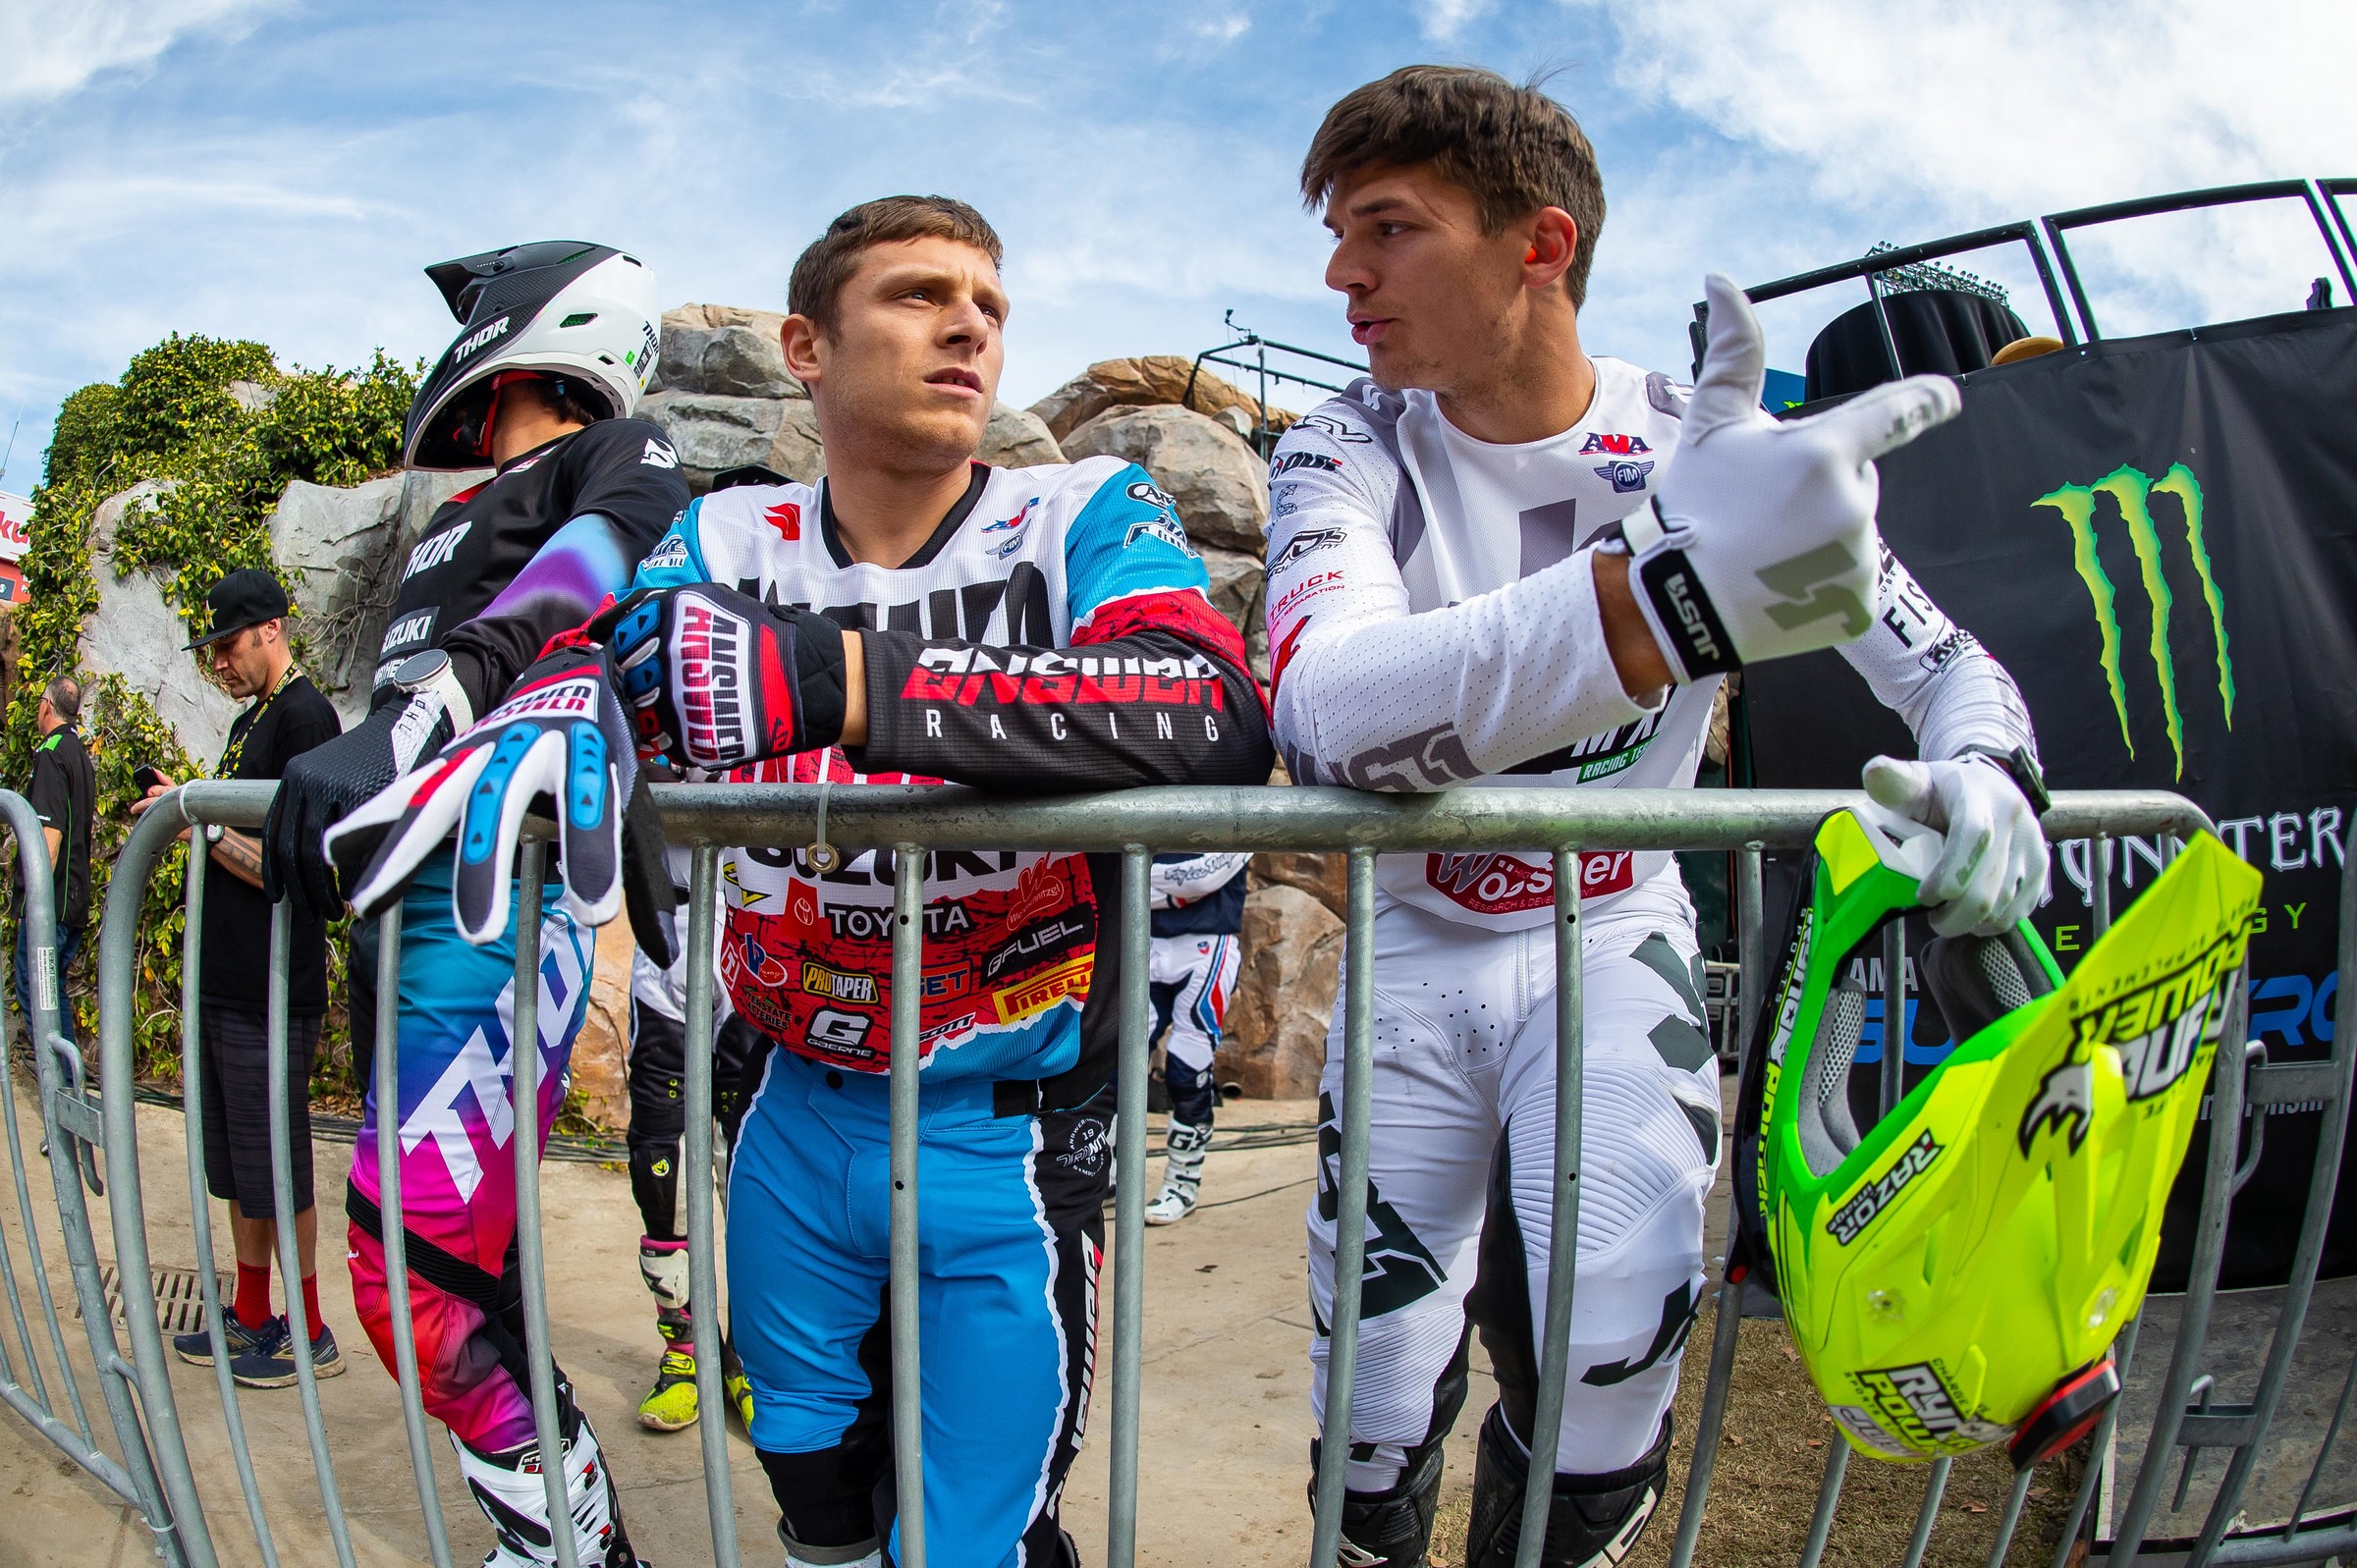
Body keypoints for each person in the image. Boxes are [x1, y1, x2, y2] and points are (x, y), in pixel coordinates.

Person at [327, 194, 1276, 1568]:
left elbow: (1210, 708)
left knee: (973, 1542)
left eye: (991, 305)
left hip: (1007, 1135)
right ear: (806, 346)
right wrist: (565, 681)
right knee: (816, 1515)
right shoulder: (721, 538)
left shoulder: (1081, 509)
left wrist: (838, 682)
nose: (969, 325)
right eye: (917, 294)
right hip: (789, 1111)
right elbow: (604, 650)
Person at [1265, 68, 2052, 1568]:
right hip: (1416, 954)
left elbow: (1951, 669)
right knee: (1366, 1407)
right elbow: (1331, 707)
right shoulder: (1340, 438)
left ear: (1536, 245)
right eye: (1336, 233)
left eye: (1386, 227)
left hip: (1615, 934)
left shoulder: (1703, 437)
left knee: (1612, 1375)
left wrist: (1987, 777)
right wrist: (1675, 599)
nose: (1339, 275)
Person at [260, 241, 686, 1568]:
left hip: (496, 900)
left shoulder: (614, 454)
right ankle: (547, 1533)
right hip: (403, 902)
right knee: (464, 1272)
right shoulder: (454, 505)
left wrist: (430, 713)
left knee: (412, 1280)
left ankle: (578, 1542)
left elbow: (589, 578)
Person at [137, 570, 345, 1386]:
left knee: (279, 1161)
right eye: (211, 649)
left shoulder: (306, 719)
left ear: (269, 630)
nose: (217, 661)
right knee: (236, 1163)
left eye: (225, 643)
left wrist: (204, 820)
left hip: (271, 985)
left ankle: (309, 1330)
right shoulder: (249, 719)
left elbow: (300, 866)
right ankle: (252, 1314)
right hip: (228, 978)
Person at [625, 838, 767, 1433]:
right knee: (657, 1162)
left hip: (754, 936)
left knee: (754, 1168)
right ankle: (685, 1351)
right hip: (665, 941)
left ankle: (748, 1357)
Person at [1143, 850, 1248, 1225]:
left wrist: (1143, 878)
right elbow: (1111, 867)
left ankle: (1181, 1184)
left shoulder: (1241, 789)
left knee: (1188, 1070)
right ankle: (1107, 1170)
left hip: (1209, 944)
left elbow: (1201, 878)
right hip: (1144, 939)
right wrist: (1175, 890)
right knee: (1115, 1065)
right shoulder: (1145, 791)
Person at [17, 675, 93, 1058]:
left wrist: (34, 907)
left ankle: (60, 1085)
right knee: (51, 989)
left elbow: (50, 837)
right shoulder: (78, 752)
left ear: (47, 705)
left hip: (54, 902)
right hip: (75, 897)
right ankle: (69, 1085)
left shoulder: (50, 752)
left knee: (36, 989)